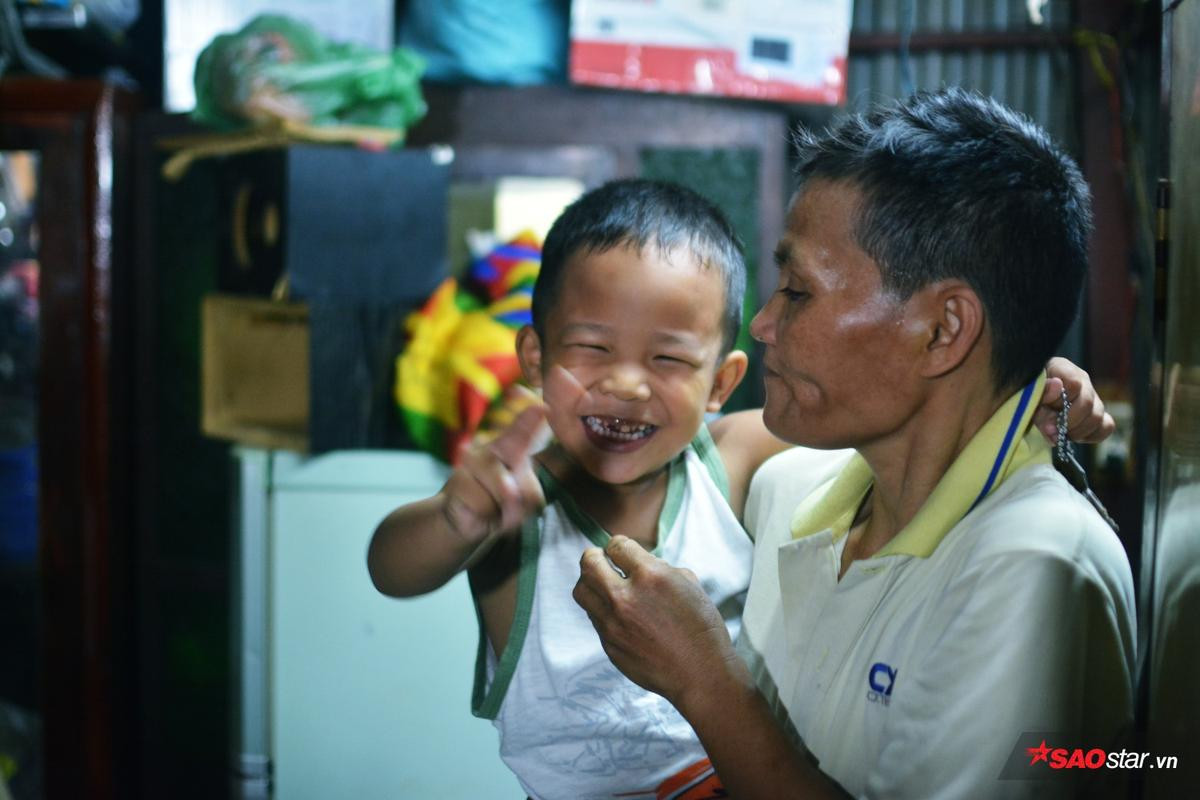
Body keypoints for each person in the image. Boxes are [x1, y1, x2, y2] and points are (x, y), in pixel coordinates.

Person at [369, 177, 1113, 800]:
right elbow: (391, 565)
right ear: (535, 356)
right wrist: (454, 516)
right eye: (592, 350)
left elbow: (907, 405)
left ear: (720, 383)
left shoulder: (726, 458)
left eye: (667, 360)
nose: (626, 386)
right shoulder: (513, 509)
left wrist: (1022, 388)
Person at [573, 89, 1136, 800]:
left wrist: (707, 685)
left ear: (942, 331)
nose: (764, 324)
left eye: (798, 290)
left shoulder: (1032, 562)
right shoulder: (792, 491)